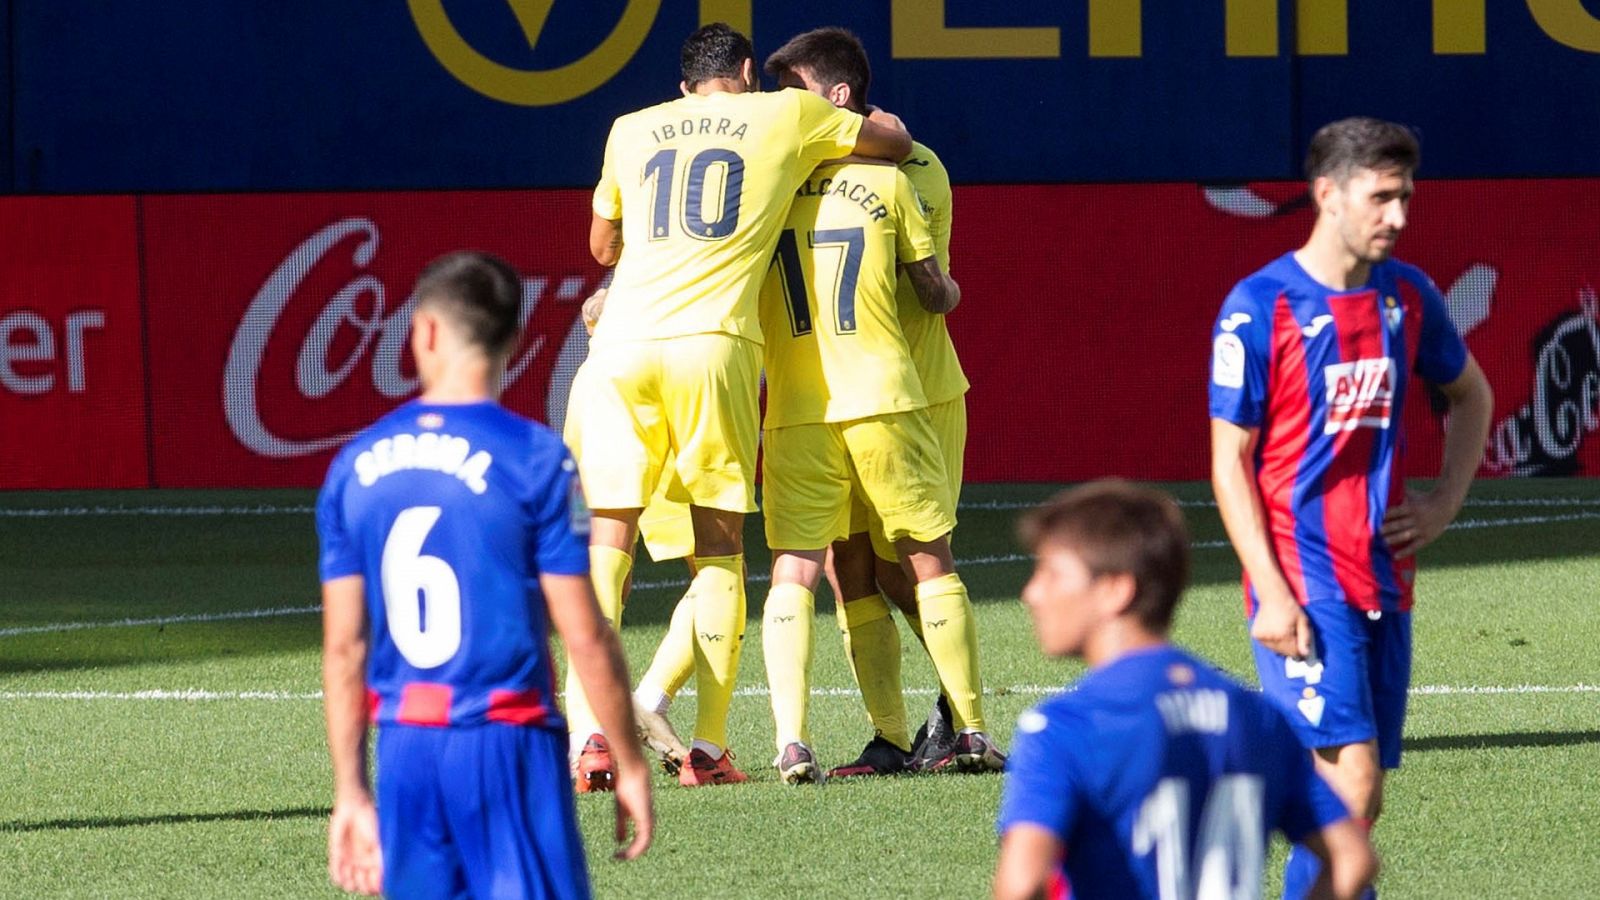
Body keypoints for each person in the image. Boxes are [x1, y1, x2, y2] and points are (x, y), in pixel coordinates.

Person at [581, 22, 911, 787]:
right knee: (721, 549)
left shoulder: (630, 127)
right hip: (715, 348)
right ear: (747, 70)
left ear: (684, 78)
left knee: (609, 542)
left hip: (619, 347)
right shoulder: (783, 115)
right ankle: (709, 745)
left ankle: (593, 732)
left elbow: (603, 247)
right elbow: (889, 145)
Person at [1208, 117, 1493, 896]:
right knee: (1352, 787)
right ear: (1327, 194)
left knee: (1356, 802)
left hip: (1385, 577)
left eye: (1405, 198)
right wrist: (1268, 588)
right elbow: (1228, 462)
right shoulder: (1258, 306)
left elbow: (1471, 396)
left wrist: (1442, 504)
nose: (1398, 217)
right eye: (1382, 198)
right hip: (1303, 577)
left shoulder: (1408, 296)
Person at [317, 252, 653, 897]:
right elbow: (585, 634)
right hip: (507, 740)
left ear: (424, 333)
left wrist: (351, 793)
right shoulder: (536, 459)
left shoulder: (354, 466)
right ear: (515, 343)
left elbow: (343, 649)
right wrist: (629, 760)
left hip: (407, 751)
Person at [763, 27, 993, 778]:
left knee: (903, 560)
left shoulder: (915, 165)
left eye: (791, 93)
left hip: (917, 393)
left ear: (836, 99)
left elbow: (926, 298)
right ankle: (894, 737)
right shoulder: (848, 166)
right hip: (865, 392)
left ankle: (961, 721)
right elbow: (933, 284)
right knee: (848, 564)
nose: (778, 110)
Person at [994, 481, 1378, 900]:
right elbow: (1351, 858)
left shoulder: (1065, 726)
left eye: (1051, 574)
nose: (1031, 593)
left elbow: (1022, 884)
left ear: (1115, 590)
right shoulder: (1256, 715)